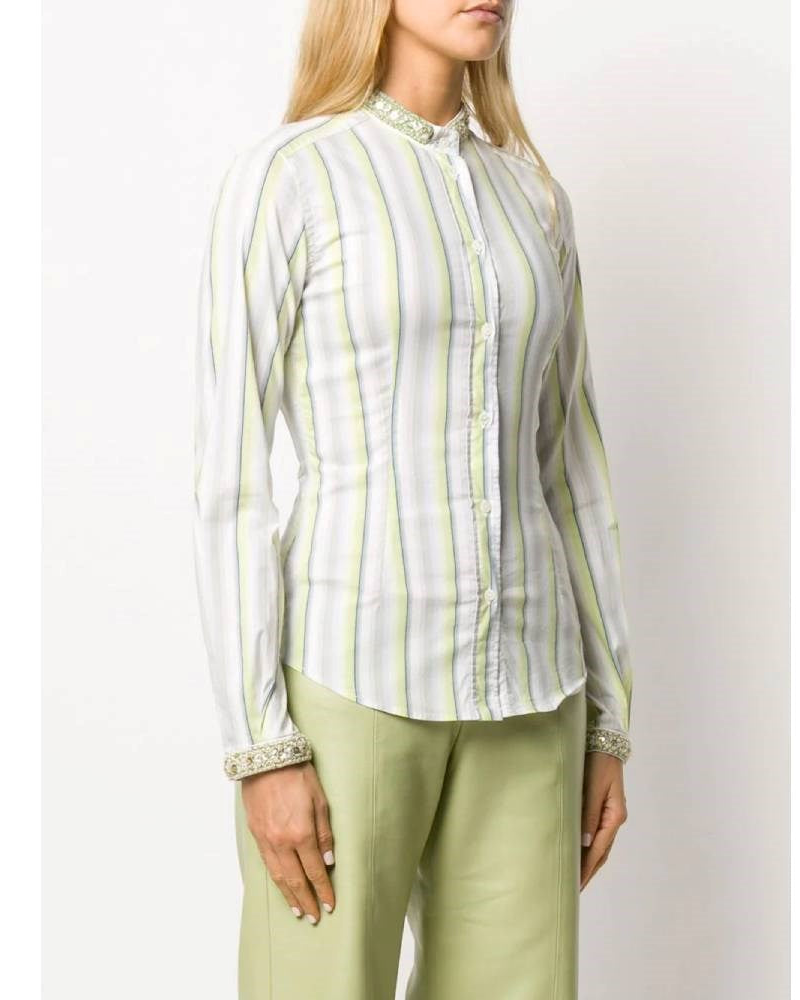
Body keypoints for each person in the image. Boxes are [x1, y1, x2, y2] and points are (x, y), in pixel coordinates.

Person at [193, 1, 634, 996]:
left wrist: (607, 718)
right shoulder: (291, 178)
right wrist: (261, 746)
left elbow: (570, 467)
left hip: (533, 690)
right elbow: (231, 478)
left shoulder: (534, 199)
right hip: (349, 681)